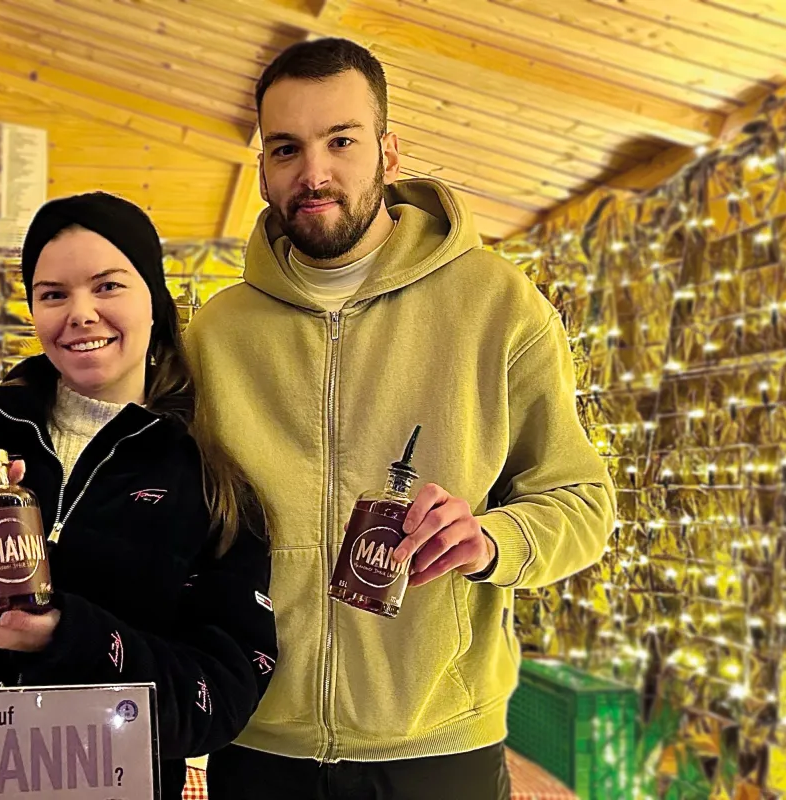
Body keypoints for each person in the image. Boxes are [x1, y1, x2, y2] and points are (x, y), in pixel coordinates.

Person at [184, 38, 616, 800]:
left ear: (388, 149)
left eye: (341, 141)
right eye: (286, 148)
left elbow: (582, 504)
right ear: (261, 167)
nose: (313, 174)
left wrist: (491, 539)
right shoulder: (216, 335)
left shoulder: (497, 306)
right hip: (256, 745)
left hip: (438, 749)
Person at [0, 192, 277, 799]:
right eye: (53, 293)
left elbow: (224, 696)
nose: (80, 313)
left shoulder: (207, 477)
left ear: (154, 301)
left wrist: (67, 637)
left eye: (108, 286)